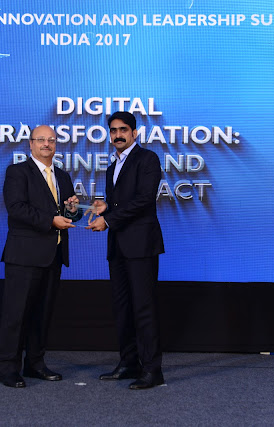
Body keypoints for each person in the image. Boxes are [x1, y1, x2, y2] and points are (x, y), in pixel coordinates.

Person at [0, 125, 81, 388]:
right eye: (41, 139)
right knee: (16, 315)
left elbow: (68, 213)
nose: (47, 144)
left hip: (53, 256)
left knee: (42, 315)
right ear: (30, 144)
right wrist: (51, 220)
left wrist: (73, 211)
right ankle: (8, 368)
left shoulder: (63, 176)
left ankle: (35, 364)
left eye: (51, 140)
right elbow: (16, 208)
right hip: (24, 256)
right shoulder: (17, 172)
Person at [86, 111, 165, 390]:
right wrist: (105, 207)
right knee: (122, 308)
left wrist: (108, 220)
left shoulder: (148, 159)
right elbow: (121, 203)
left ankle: (152, 369)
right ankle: (129, 363)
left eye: (123, 130)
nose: (118, 135)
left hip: (141, 246)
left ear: (135, 133)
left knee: (143, 308)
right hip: (118, 246)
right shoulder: (112, 167)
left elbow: (144, 200)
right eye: (113, 130)